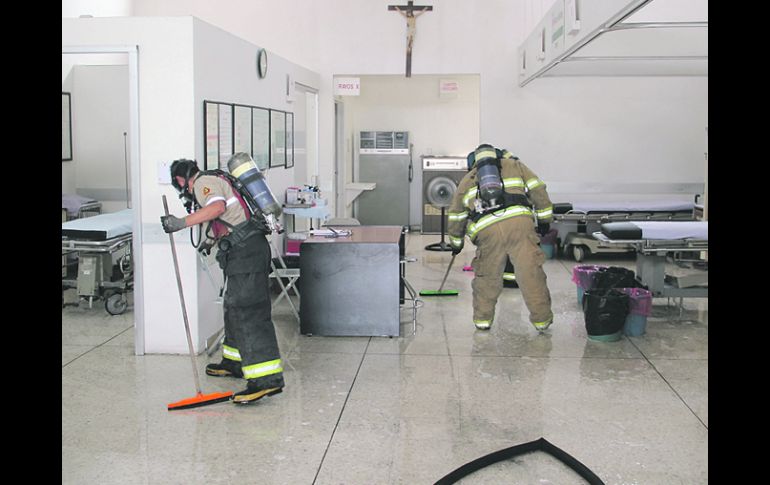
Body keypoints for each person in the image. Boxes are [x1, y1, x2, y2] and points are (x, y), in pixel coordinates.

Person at [160, 156, 285, 404]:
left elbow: (217, 208)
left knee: (248, 311)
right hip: (242, 252)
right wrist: (208, 242)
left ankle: (266, 380)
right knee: (233, 306)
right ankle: (234, 362)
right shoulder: (214, 179)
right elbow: (226, 219)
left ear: (180, 180)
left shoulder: (203, 182)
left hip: (247, 253)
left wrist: (180, 223)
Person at [447, 144, 554, 332]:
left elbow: (456, 215)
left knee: (487, 277)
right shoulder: (515, 165)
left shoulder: (468, 179)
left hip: (488, 232)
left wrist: (456, 243)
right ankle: (542, 321)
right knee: (531, 274)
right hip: (520, 226)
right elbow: (538, 190)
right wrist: (545, 219)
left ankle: (483, 321)